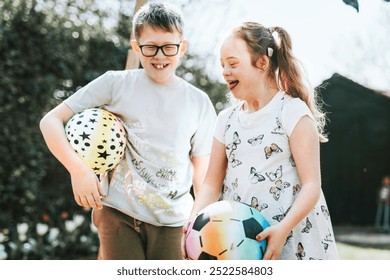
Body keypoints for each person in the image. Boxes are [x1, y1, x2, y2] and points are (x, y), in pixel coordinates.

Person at [40, 3, 216, 260]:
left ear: (183, 47)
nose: (159, 56)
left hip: (173, 223)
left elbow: (203, 174)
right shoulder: (115, 84)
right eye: (149, 47)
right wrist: (78, 170)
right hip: (117, 214)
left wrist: (201, 226)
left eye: (168, 47)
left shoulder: (198, 102)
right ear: (136, 46)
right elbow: (50, 121)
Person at [183, 22, 339, 260]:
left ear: (262, 63)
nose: (225, 71)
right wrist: (193, 222)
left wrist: (283, 229)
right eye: (222, 65)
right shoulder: (225, 120)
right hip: (239, 244)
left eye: (233, 64)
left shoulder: (292, 112)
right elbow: (212, 185)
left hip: (293, 238)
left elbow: (311, 186)